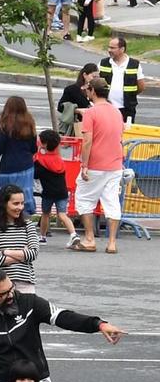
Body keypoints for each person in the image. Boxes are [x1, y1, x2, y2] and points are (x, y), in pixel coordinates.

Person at [74, 76, 124, 253]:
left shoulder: (91, 113)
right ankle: (111, 242)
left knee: (85, 199)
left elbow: (87, 141)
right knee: (111, 201)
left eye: (88, 89)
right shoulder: (116, 112)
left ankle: (89, 238)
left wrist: (84, 164)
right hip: (115, 163)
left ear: (93, 91)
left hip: (96, 163)